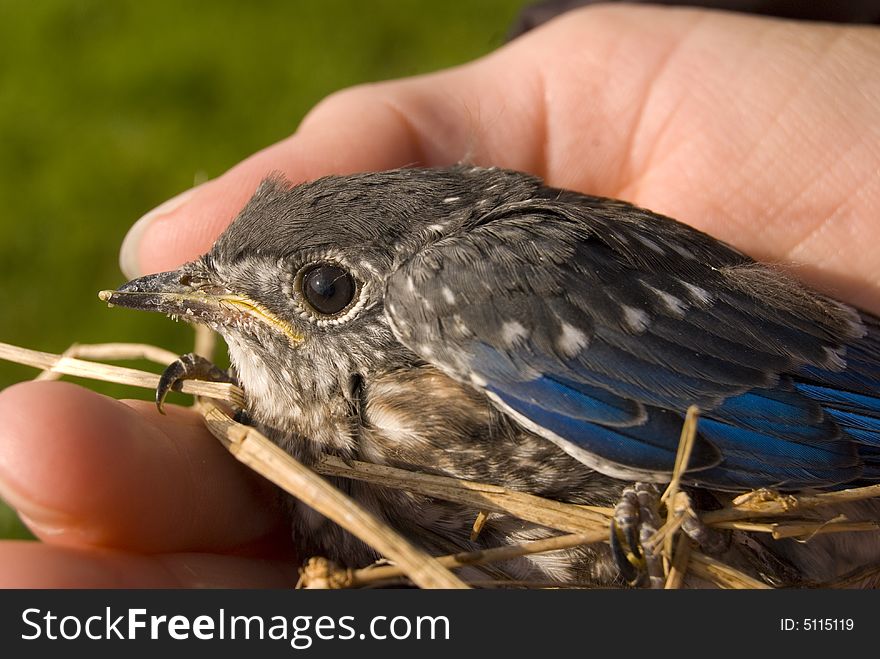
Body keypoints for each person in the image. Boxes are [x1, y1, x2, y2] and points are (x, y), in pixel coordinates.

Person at [0, 3, 878, 587]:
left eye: (325, 289)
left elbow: (800, 441)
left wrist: (684, 538)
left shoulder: (466, 296)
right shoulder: (301, 453)